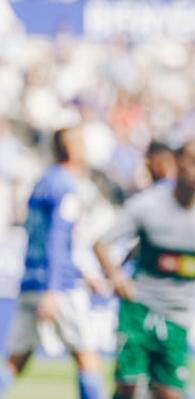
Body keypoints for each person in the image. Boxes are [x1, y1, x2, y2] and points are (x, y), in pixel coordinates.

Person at [93, 139, 195, 399]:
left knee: (169, 393)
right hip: (139, 308)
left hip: (178, 316)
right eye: (194, 163)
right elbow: (101, 244)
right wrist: (116, 277)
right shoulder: (146, 206)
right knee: (129, 388)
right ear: (177, 161)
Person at [0, 127, 106, 399]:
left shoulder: (43, 181)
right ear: (70, 148)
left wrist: (85, 272)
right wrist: (53, 288)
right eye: (81, 143)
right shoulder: (66, 186)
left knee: (14, 361)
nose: (85, 149)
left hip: (30, 280)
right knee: (87, 357)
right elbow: (58, 237)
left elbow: (41, 234)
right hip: (59, 287)